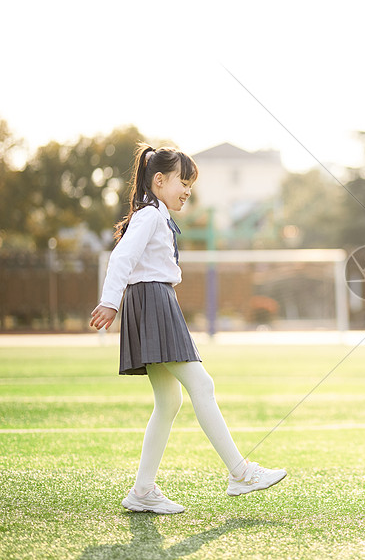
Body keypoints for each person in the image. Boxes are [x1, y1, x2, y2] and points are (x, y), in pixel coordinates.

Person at [90, 144, 286, 514]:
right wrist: (109, 301)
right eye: (184, 182)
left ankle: (142, 491)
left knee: (169, 401)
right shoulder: (149, 215)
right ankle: (241, 472)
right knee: (202, 385)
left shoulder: (155, 214)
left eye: (191, 185)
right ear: (159, 180)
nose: (188, 191)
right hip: (152, 302)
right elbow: (122, 257)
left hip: (155, 301)